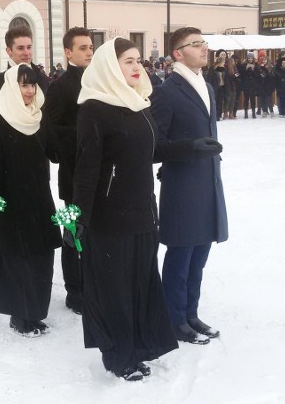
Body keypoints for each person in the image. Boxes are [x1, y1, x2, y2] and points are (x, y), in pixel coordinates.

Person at [72, 37, 178, 382]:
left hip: (144, 210)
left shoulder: (138, 102)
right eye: (128, 61)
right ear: (109, 67)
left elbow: (149, 150)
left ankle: (139, 345)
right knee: (116, 289)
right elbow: (86, 169)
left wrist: (190, 147)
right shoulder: (94, 108)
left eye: (138, 60)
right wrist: (77, 219)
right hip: (110, 216)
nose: (137, 67)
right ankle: (120, 356)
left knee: (140, 283)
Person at [151, 27, 227, 346]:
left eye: (204, 42)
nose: (204, 48)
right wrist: (191, 147)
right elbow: (154, 146)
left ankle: (190, 313)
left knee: (200, 256)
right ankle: (174, 318)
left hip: (207, 182)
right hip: (182, 185)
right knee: (181, 256)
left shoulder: (206, 86)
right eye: (196, 44)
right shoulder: (168, 91)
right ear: (178, 54)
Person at [0, 64, 61, 337]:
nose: (29, 91)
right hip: (11, 202)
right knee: (18, 260)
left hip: (39, 198)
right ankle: (19, 314)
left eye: (32, 85)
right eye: (23, 85)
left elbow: (55, 152)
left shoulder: (39, 117)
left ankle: (36, 311)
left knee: (41, 257)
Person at [43, 26, 93, 314]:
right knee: (73, 232)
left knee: (93, 234)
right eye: (82, 47)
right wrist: (85, 136)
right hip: (73, 174)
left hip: (98, 175)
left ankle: (92, 284)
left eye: (90, 47)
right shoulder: (61, 87)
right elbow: (51, 129)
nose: (88, 51)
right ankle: (75, 291)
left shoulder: (100, 80)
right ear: (68, 52)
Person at [4, 25, 49, 93]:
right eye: (20, 48)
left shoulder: (42, 79)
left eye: (29, 47)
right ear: (9, 51)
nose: (26, 53)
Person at [258, 54, 277, 118]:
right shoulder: (260, 67)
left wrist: (264, 69)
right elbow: (259, 76)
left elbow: (271, 77)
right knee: (262, 100)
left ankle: (271, 112)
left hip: (268, 86)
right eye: (263, 60)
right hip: (261, 86)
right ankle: (264, 112)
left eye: (265, 59)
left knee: (268, 100)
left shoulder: (271, 67)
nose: (264, 61)